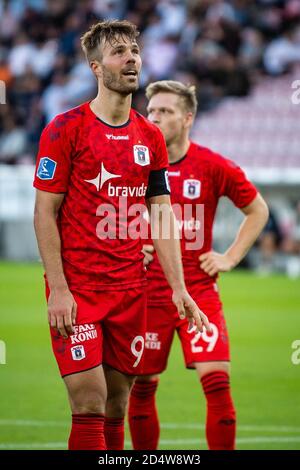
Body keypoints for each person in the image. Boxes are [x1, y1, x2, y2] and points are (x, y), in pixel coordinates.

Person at [33, 22, 210, 451]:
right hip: (78, 290)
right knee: (89, 405)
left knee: (117, 406)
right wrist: (58, 289)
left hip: (131, 291)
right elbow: (44, 212)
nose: (131, 58)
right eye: (118, 52)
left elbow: (161, 215)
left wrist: (179, 288)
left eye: (134, 50)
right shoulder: (64, 129)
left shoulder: (149, 136)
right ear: (96, 67)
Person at [128, 80, 269, 450]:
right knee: (141, 387)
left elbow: (258, 210)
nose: (154, 117)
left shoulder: (211, 164)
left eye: (166, 111)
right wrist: (129, 245)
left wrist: (230, 256)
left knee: (217, 382)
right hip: (147, 293)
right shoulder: (132, 164)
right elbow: (106, 215)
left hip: (199, 290)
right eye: (152, 110)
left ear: (188, 118)